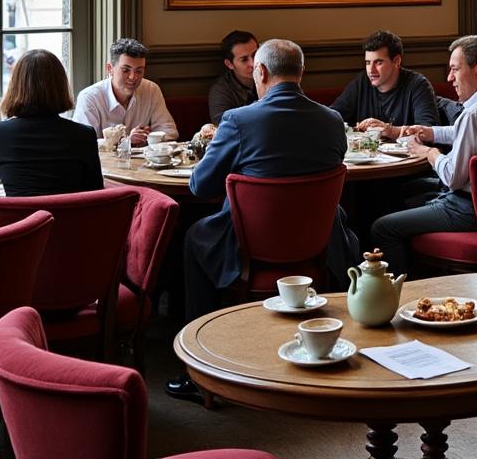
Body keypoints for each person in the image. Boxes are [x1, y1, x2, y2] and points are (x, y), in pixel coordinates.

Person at [167, 40, 350, 402]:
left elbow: (200, 184)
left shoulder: (239, 120)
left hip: (252, 243)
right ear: (302, 73)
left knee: (192, 237)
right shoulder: (332, 122)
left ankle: (199, 367)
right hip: (317, 242)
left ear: (261, 72)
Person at [371, 36, 477, 275]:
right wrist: (430, 132)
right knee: (405, 191)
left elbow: (452, 177)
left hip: (469, 210)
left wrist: (428, 152)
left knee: (382, 228)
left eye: (455, 69)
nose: (449, 78)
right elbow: (472, 133)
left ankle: (401, 295)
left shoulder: (476, 114)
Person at [0, 50, 103, 206]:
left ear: (15, 86)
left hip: (20, 228)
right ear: (61, 86)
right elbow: (95, 196)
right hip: (69, 228)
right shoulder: (84, 135)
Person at [72, 38, 177, 145]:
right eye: (126, 70)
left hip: (144, 161)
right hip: (103, 161)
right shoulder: (89, 97)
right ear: (110, 69)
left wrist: (146, 138)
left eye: (139, 71)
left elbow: (170, 131)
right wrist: (125, 141)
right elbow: (82, 142)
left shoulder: (151, 89)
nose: (133, 77)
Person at [331, 30, 439, 132]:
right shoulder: (362, 82)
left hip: (409, 151)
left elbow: (428, 132)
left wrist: (390, 131)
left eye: (378, 62)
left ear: (397, 61)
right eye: (368, 63)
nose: (371, 70)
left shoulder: (418, 85)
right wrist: (354, 129)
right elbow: (332, 117)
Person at [208, 30, 259, 124]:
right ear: (229, 64)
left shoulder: (272, 78)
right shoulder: (221, 91)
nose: (253, 63)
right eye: (244, 59)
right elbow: (223, 127)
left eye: (255, 54)